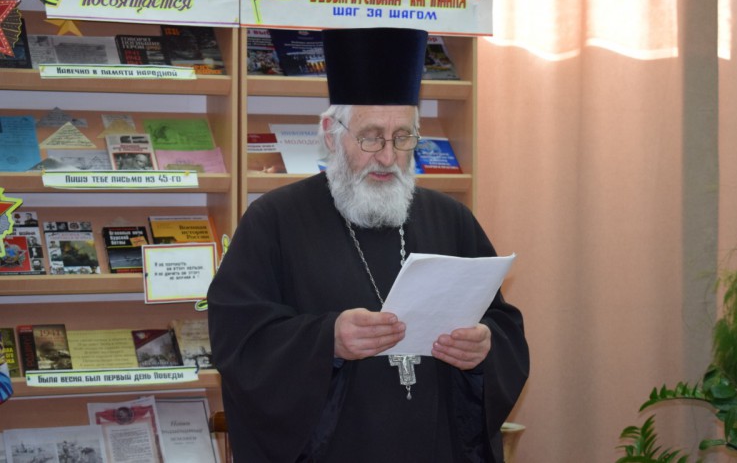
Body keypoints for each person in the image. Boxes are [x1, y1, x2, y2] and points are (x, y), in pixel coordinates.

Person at [207, 27, 529, 462]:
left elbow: (503, 325)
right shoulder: (274, 220)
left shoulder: (450, 219)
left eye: (403, 137)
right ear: (330, 133)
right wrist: (327, 340)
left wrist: (485, 346)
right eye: (371, 137)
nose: (388, 156)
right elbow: (239, 339)